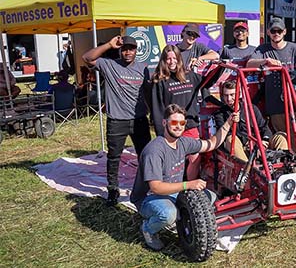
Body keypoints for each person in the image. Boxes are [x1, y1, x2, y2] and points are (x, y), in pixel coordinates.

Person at [130, 103, 239, 251]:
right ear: (164, 123)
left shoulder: (183, 142)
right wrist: (188, 185)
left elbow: (211, 144)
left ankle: (183, 218)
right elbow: (155, 187)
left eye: (182, 123)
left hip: (174, 192)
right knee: (168, 214)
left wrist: (228, 123)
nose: (178, 126)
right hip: (149, 197)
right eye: (174, 122)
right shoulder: (154, 150)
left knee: (210, 197)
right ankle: (148, 229)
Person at [82, 35, 152, 206]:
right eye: (125, 49)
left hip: (139, 120)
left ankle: (147, 186)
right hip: (117, 121)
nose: (128, 52)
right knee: (114, 157)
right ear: (120, 50)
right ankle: (113, 189)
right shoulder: (109, 65)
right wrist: (109, 44)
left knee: (146, 155)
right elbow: (87, 58)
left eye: (131, 49)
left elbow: (149, 93)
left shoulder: (144, 68)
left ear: (136, 51)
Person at [151, 44, 211, 179]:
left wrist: (213, 64)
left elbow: (209, 81)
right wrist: (161, 131)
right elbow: (157, 107)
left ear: (179, 59)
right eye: (168, 59)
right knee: (173, 161)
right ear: (163, 60)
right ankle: (171, 186)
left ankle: (190, 187)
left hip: (190, 124)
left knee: (195, 157)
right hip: (172, 127)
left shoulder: (190, 76)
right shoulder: (159, 80)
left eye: (174, 58)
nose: (172, 62)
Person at [246, 17, 296, 134]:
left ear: (285, 32)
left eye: (279, 31)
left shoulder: (295, 49)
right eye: (273, 31)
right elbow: (249, 64)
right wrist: (266, 61)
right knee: (284, 141)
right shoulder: (263, 49)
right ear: (268, 32)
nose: (276, 34)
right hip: (275, 106)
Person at [213, 80, 288, 161]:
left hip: (258, 143)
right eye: (226, 95)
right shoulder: (220, 113)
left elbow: (264, 127)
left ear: (239, 94)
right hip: (242, 148)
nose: (229, 99)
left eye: (232, 95)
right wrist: (230, 121)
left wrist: (263, 142)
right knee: (231, 139)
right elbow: (225, 135)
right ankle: (246, 169)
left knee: (280, 137)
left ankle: (283, 164)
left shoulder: (251, 108)